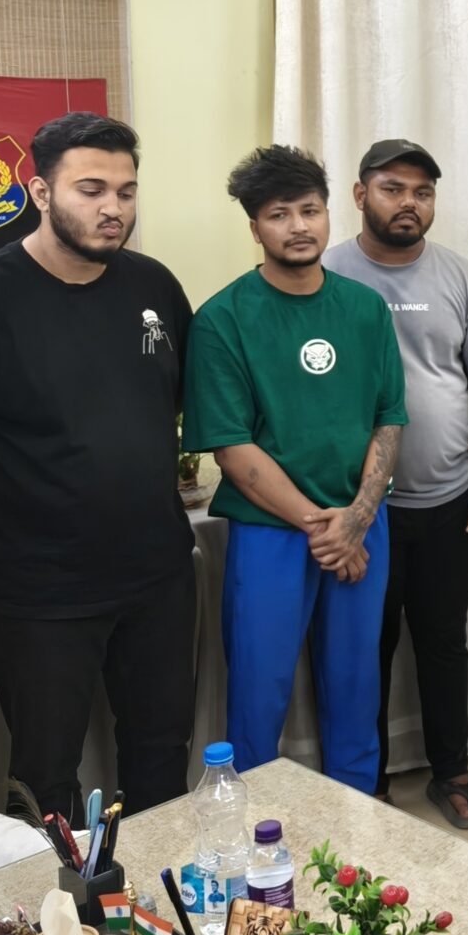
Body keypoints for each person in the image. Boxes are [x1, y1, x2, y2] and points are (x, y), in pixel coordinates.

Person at [0, 113, 194, 820]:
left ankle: (158, 884)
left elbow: (172, 405)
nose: (113, 208)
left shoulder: (153, 286)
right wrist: (31, 492)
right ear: (39, 192)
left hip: (158, 574)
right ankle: (51, 898)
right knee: (44, 774)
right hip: (42, 586)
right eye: (91, 190)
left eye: (126, 191)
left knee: (162, 751)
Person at [183, 146, 406, 796]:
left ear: (330, 214)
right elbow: (233, 450)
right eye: (279, 214)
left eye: (310, 210)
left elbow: (389, 419)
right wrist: (325, 529)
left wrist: (357, 519)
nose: (299, 226)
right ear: (255, 227)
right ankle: (255, 829)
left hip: (360, 523)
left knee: (356, 685)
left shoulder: (365, 309)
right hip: (272, 533)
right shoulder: (223, 319)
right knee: (259, 692)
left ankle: (355, 818)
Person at [325, 140, 468, 829]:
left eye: (422, 191)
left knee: (443, 642)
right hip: (360, 511)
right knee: (364, 648)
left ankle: (450, 769)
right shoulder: (326, 272)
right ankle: (367, 780)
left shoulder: (464, 278)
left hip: (447, 502)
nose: (408, 202)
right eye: (392, 188)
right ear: (360, 195)